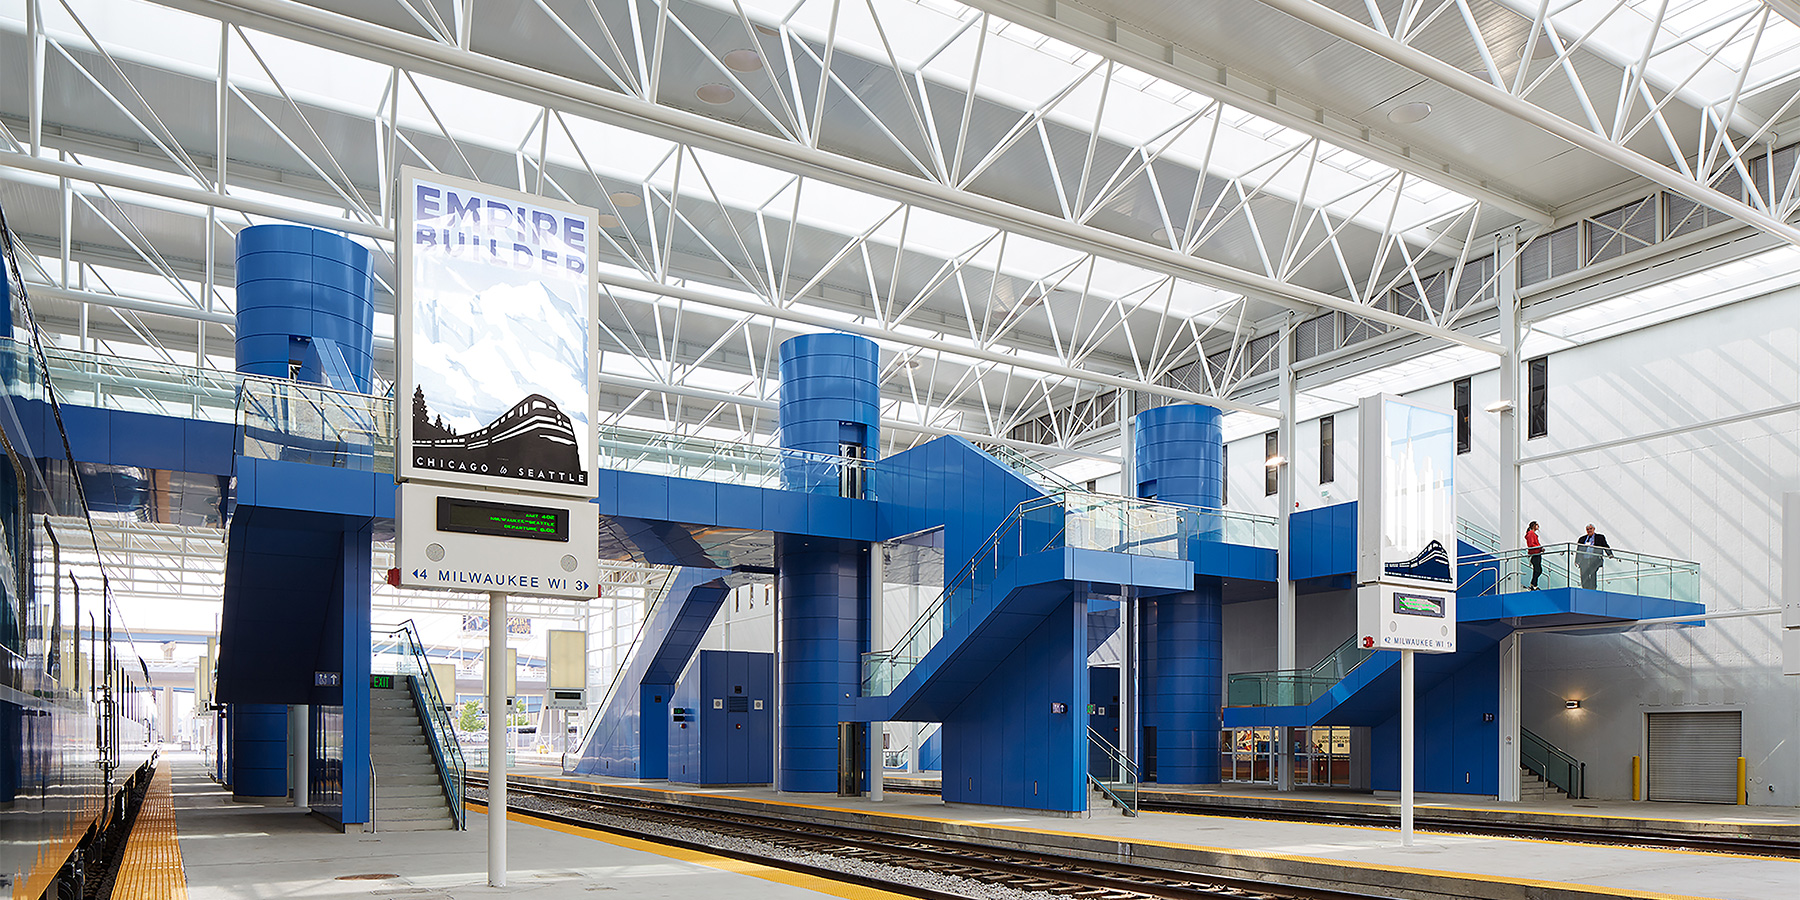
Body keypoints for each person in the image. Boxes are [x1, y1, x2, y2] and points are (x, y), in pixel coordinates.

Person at [1576, 523, 1613, 589]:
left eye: (1590, 529)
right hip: (1584, 560)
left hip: (1594, 559)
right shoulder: (1582, 539)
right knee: (1584, 574)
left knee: (1592, 573)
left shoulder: (1600, 537)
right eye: (1587, 529)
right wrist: (1577, 560)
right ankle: (1585, 588)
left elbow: (1605, 545)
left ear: (1594, 529)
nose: (1589, 530)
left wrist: (1609, 554)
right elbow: (1578, 550)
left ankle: (1593, 588)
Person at [1524, 521, 1543, 590]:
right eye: (1537, 525)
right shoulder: (1531, 533)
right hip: (1535, 553)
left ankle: (1533, 584)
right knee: (1538, 570)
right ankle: (1533, 584)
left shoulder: (1532, 534)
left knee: (1537, 570)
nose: (1538, 526)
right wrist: (1539, 547)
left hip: (1537, 552)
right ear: (1534, 525)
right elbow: (1531, 544)